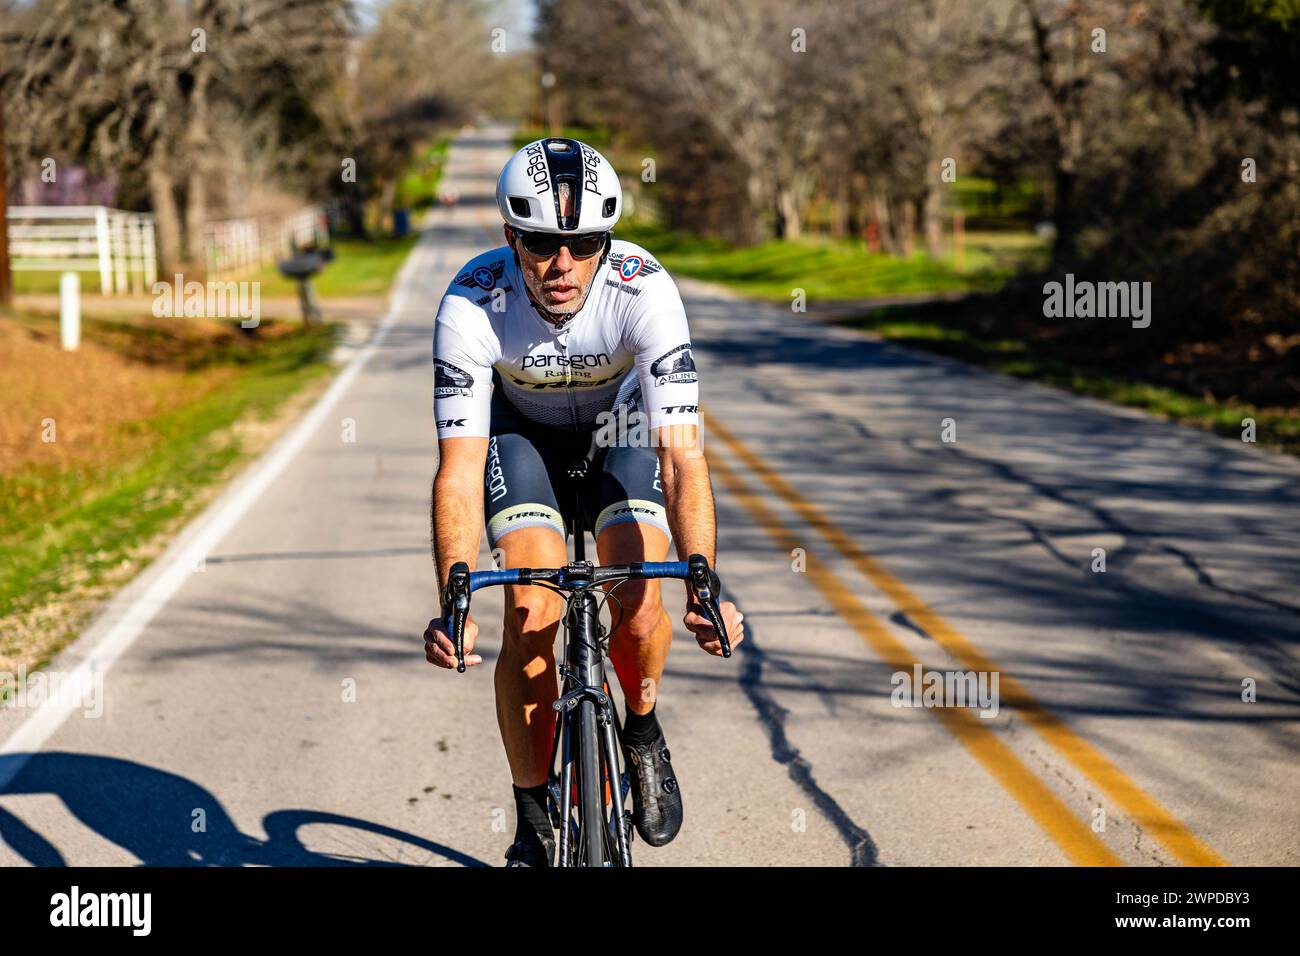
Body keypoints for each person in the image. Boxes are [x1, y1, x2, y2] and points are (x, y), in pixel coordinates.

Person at [422, 138, 744, 866]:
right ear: (511, 238)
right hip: (521, 440)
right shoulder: (473, 301)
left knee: (641, 597)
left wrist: (704, 576)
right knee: (532, 609)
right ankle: (533, 815)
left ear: (606, 241)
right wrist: (454, 596)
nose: (562, 265)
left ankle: (641, 730)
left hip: (620, 432)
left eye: (584, 243)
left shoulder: (645, 289)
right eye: (540, 243)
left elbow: (682, 455)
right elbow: (458, 471)